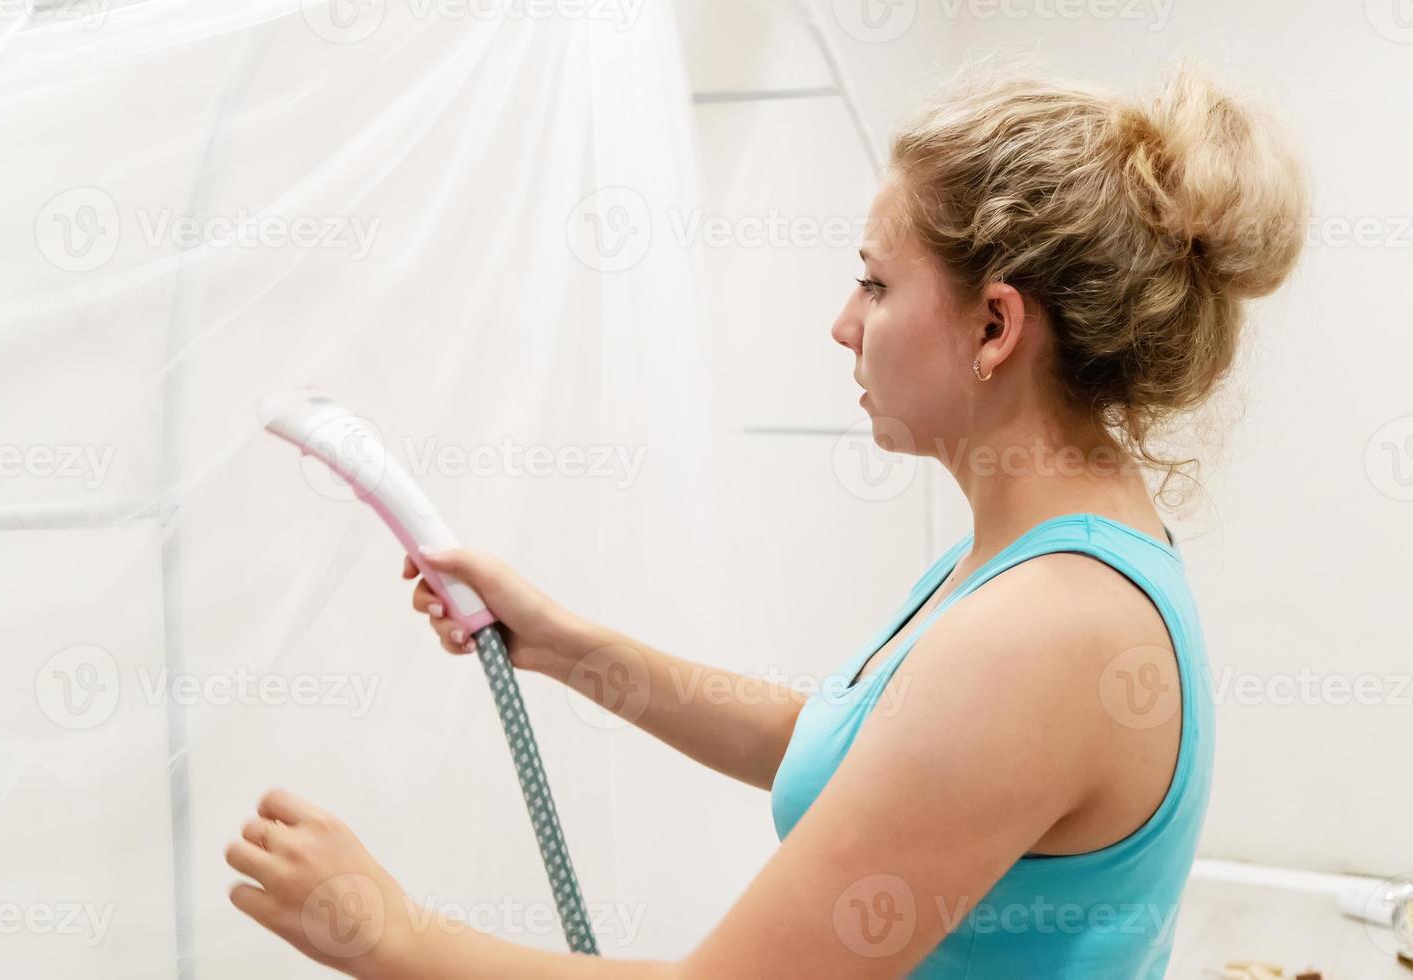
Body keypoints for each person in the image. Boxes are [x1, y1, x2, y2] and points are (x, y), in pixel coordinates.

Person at [225, 59, 1307, 978]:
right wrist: (573, 647)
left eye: (876, 286)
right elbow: (858, 754)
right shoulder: (1043, 565)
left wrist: (387, 932)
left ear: (993, 324)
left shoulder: (1049, 630)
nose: (844, 325)